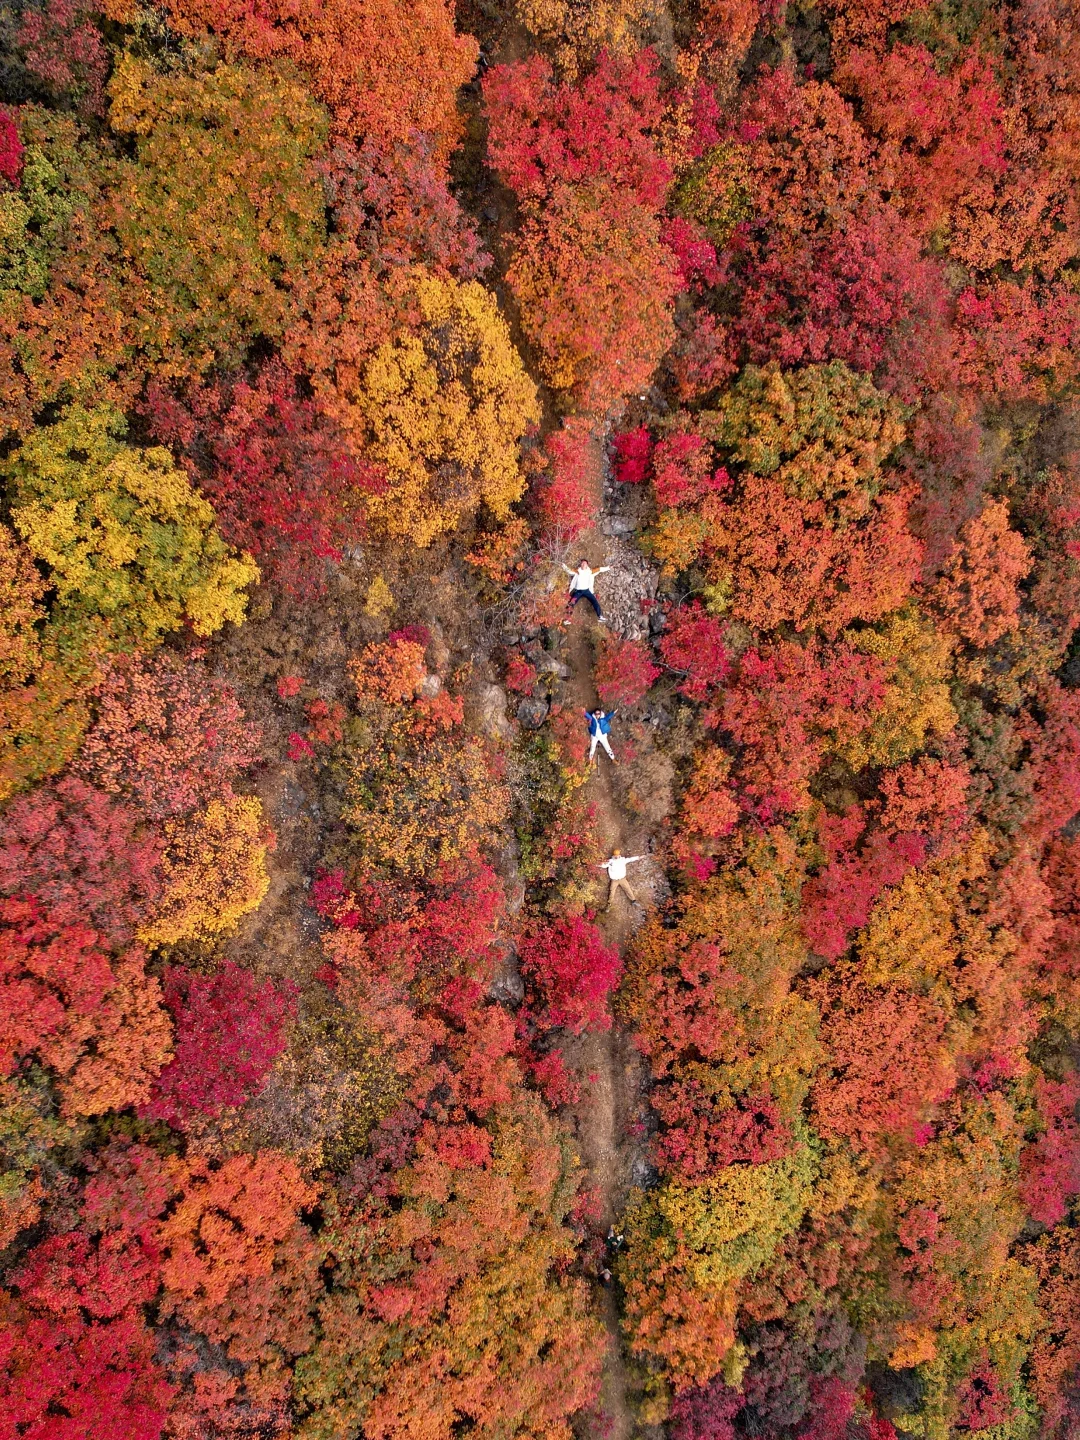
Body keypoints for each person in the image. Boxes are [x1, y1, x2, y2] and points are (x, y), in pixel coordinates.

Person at [561, 558, 611, 623]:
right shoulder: (577, 571)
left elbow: (599, 569)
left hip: (587, 591)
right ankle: (567, 619)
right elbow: (569, 571)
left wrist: (608, 567)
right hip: (578, 592)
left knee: (594, 601)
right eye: (582, 563)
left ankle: (600, 616)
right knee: (571, 603)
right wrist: (563, 566)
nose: (583, 564)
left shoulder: (590, 571)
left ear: (587, 565)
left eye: (584, 563)